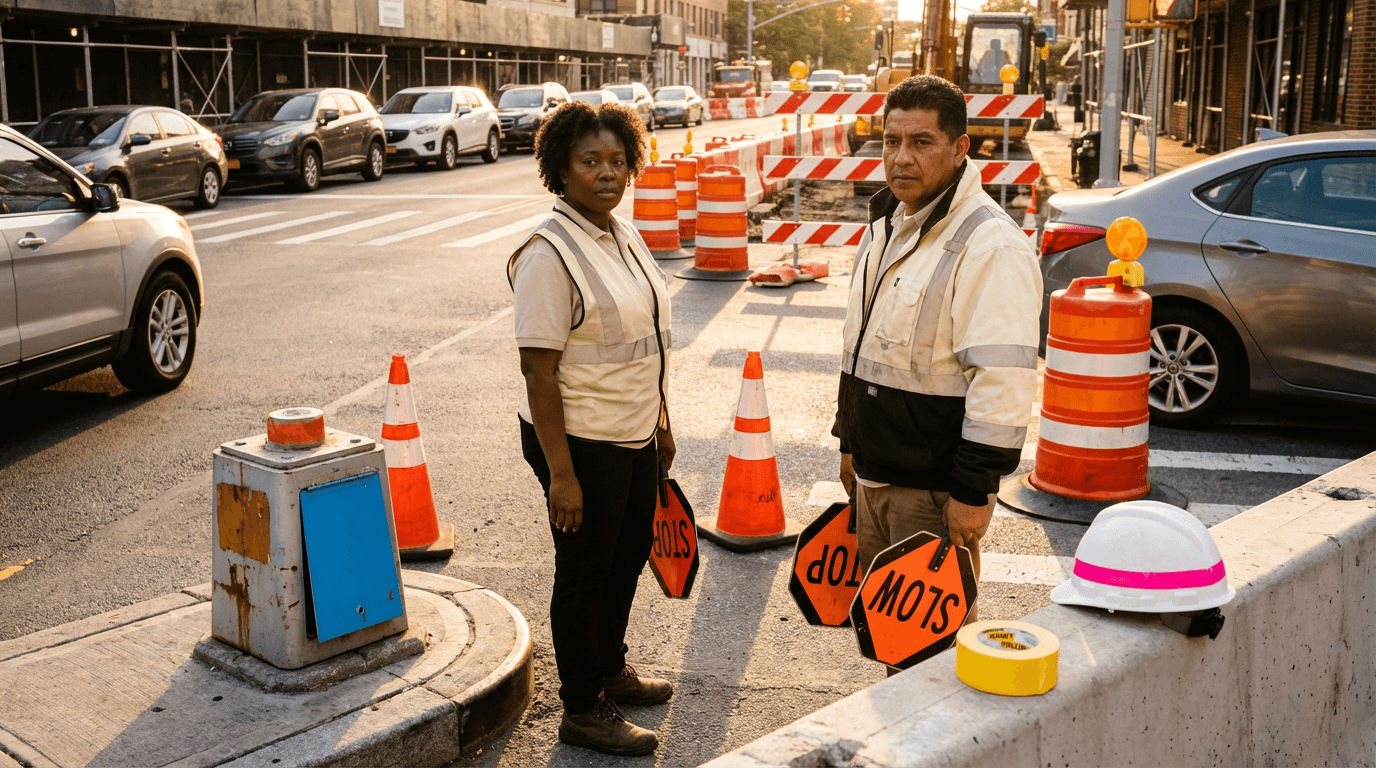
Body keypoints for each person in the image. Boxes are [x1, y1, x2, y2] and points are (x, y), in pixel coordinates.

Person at [834, 75, 1042, 627]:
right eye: (890, 141)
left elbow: (1003, 382)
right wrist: (849, 442)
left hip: (932, 494)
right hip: (877, 476)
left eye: (921, 142)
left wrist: (973, 492)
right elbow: (863, 347)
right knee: (890, 644)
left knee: (935, 662)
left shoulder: (990, 245)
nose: (901, 158)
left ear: (959, 149)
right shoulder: (886, 226)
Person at [509, 99, 674, 757]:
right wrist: (563, 476)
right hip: (579, 443)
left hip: (632, 433)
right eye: (589, 161)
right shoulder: (549, 252)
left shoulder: (620, 233)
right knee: (584, 573)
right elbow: (539, 374)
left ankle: (610, 666)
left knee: (628, 556)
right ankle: (582, 707)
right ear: (561, 169)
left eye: (616, 159)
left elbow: (645, 339)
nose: (607, 173)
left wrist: (662, 420)